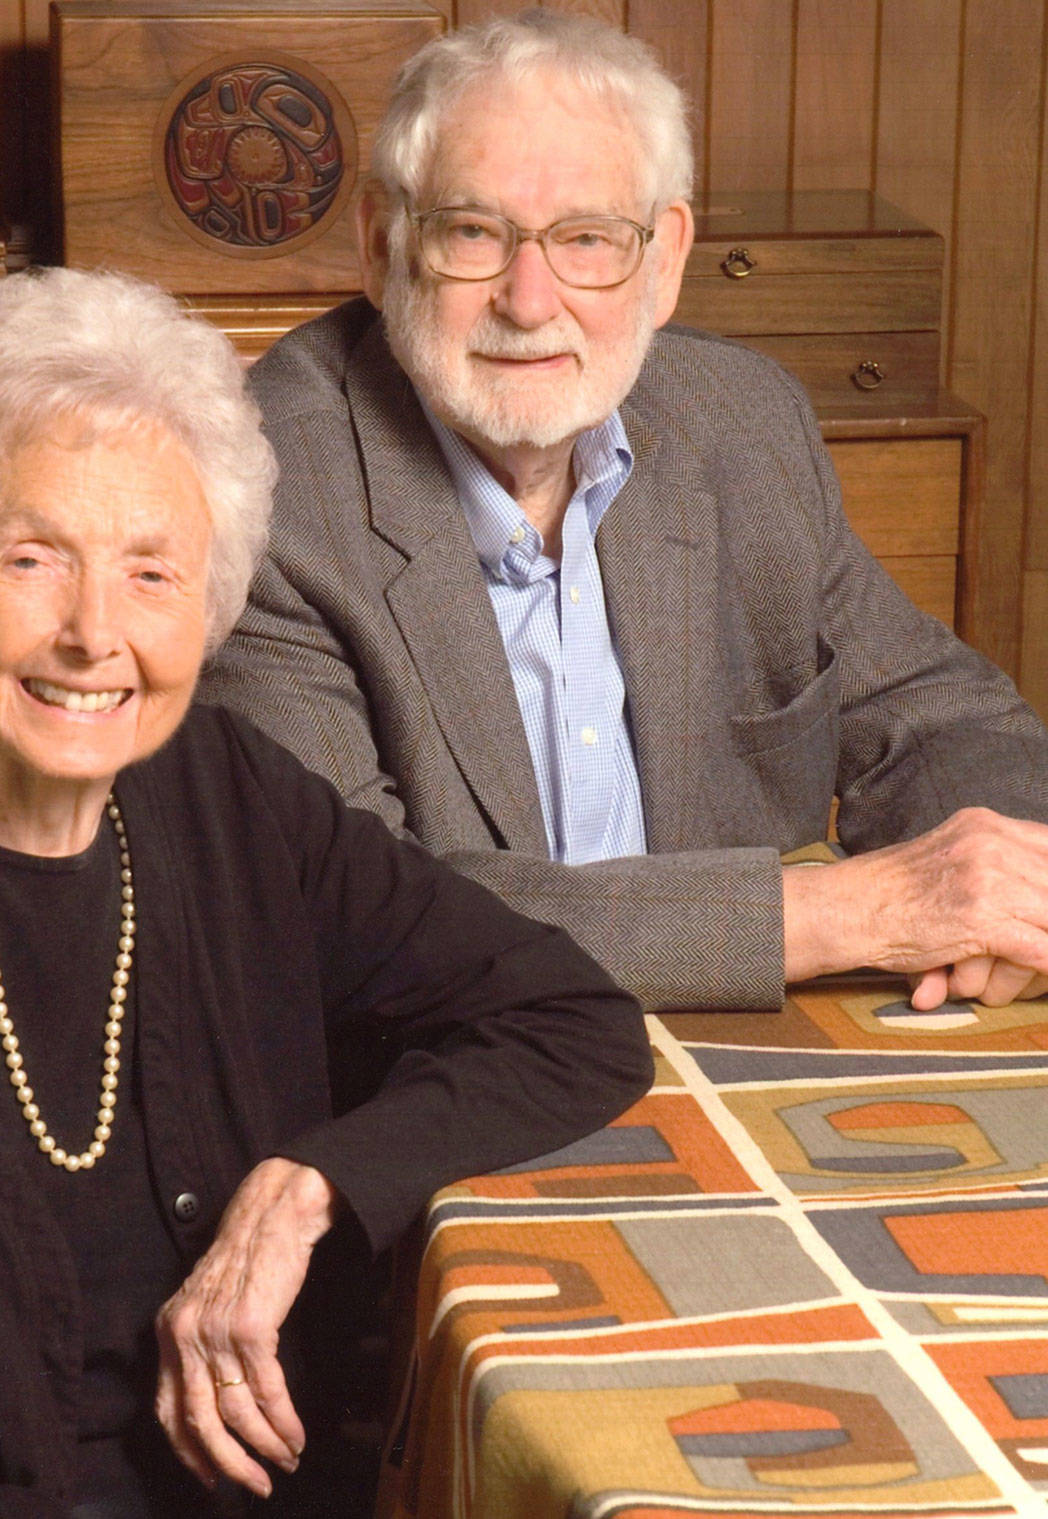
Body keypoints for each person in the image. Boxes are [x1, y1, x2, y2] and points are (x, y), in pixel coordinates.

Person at [0, 267, 654, 1518]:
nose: (94, 633)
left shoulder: (228, 797)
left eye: (151, 572)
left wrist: (310, 1189)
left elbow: (568, 1020)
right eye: (32, 559)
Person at [202, 8, 1048, 1015]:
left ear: (663, 258)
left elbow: (937, 715)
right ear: (382, 244)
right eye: (472, 232)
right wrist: (840, 915)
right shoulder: (261, 489)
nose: (528, 298)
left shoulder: (740, 425)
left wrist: (1004, 896)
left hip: (743, 1060)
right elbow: (352, 910)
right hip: (435, 1063)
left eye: (586, 239)